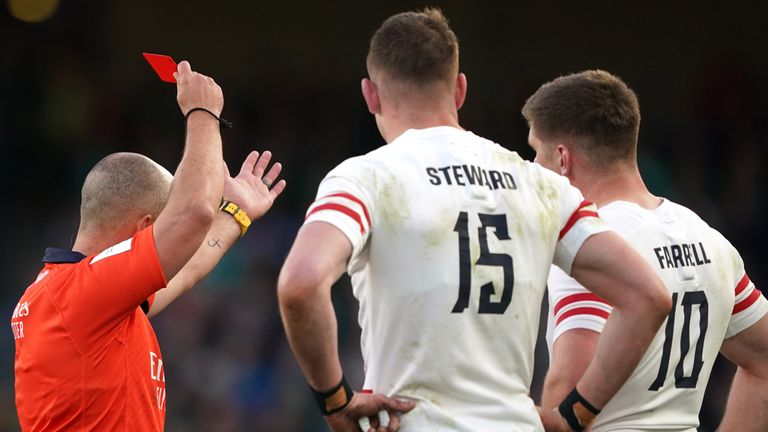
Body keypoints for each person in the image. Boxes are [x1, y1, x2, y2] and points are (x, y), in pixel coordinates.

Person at [278, 9, 670, 432]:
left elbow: (300, 284)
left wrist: (336, 402)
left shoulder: (367, 178)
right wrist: (575, 415)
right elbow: (648, 296)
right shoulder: (540, 184)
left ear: (370, 95)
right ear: (460, 89)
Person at [11, 61, 286, 431]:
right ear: (145, 227)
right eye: (161, 228)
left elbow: (184, 271)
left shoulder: (86, 296)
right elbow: (192, 216)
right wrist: (202, 112)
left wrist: (236, 214)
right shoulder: (82, 292)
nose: (169, 242)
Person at [522, 69, 768, 431]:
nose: (532, 168)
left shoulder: (590, 249)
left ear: (562, 159)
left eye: (535, 152)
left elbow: (567, 385)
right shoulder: (709, 238)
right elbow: (763, 359)